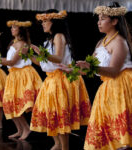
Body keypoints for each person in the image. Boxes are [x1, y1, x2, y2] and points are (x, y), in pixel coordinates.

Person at [30, 10, 91, 150]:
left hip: (62, 79)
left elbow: (57, 58)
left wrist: (41, 53)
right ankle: (57, 144)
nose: (43, 24)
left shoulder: (59, 36)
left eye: (46, 21)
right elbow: (43, 63)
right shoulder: (48, 41)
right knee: (50, 113)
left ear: (54, 22)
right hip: (51, 79)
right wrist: (30, 56)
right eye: (42, 21)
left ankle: (65, 147)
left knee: (60, 115)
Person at [76, 2, 132, 150]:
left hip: (122, 86)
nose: (98, 22)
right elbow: (91, 70)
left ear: (114, 21)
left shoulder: (119, 42)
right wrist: (72, 70)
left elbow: (113, 71)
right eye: (98, 18)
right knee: (106, 135)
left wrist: (91, 67)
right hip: (107, 88)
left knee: (121, 138)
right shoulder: (101, 42)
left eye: (103, 19)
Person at [1, 20, 42, 140]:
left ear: (20, 30)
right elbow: (9, 61)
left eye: (14, 27)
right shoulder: (14, 42)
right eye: (12, 27)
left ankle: (26, 129)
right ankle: (20, 129)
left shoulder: (23, 44)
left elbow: (12, 62)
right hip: (13, 75)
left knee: (18, 104)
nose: (12, 29)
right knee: (9, 104)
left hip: (22, 75)